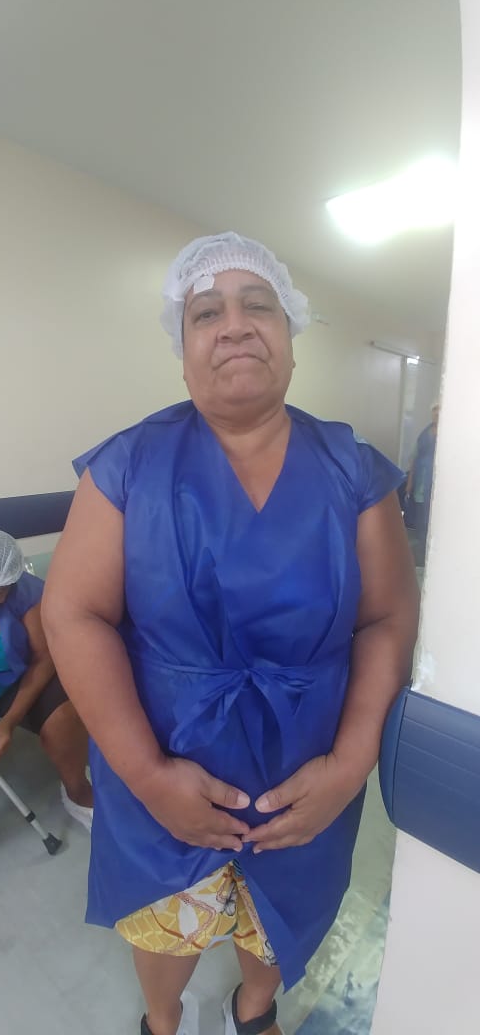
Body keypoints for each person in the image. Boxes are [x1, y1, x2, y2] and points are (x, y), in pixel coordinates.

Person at [42, 232, 419, 1035]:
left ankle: (253, 1009)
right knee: (164, 919)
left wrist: (350, 765)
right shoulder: (127, 467)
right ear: (182, 355)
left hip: (310, 766)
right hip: (162, 754)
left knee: (284, 909)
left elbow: (387, 618)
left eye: (259, 306)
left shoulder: (354, 469)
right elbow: (74, 615)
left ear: (291, 339)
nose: (236, 324)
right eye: (206, 312)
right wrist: (148, 775)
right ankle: (162, 1019)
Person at [0, 529, 93, 830]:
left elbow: (43, 658)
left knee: (63, 715)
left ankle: (77, 792)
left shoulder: (27, 594)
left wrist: (10, 720)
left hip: (9, 683)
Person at [404, 401, 439, 565]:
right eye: (434, 410)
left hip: (436, 487)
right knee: (421, 522)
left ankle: (431, 559)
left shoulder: (448, 434)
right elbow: (413, 459)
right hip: (421, 485)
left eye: (440, 410)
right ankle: (421, 558)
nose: (437, 413)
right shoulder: (424, 434)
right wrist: (409, 483)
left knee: (432, 522)